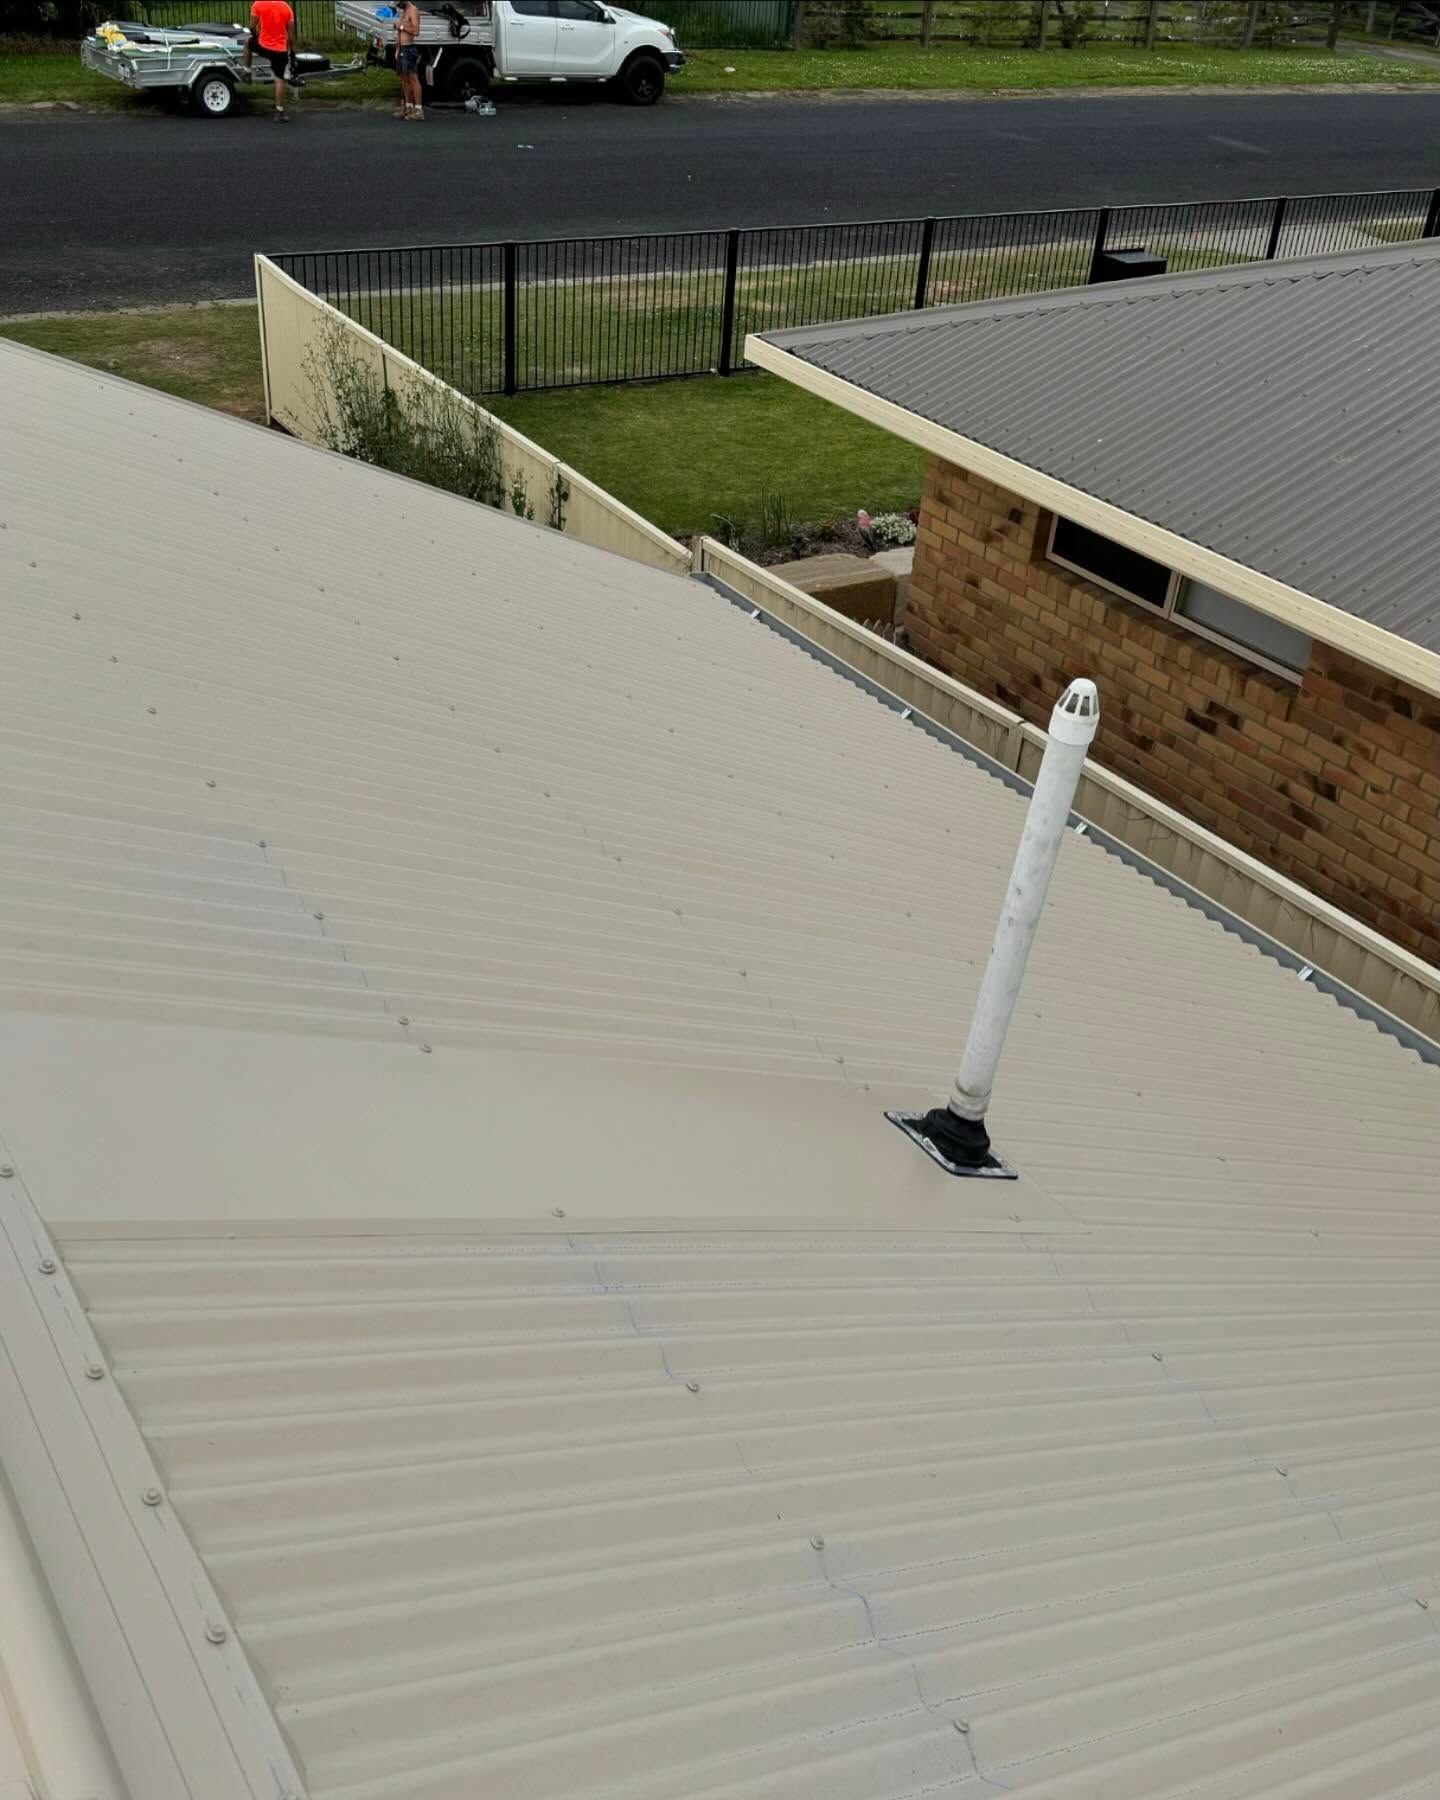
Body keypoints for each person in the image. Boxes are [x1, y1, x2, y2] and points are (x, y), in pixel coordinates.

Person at [245, 0, 296, 120]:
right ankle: (280, 112)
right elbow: (292, 34)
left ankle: (247, 72)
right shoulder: (286, 8)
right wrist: (292, 54)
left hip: (264, 45)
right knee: (279, 80)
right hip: (280, 50)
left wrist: (256, 36)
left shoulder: (258, 4)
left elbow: (251, 27)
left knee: (247, 43)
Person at [395, 0, 423, 121]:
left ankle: (418, 110)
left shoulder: (413, 10)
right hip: (401, 48)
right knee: (403, 78)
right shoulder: (404, 10)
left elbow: (416, 31)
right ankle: (408, 106)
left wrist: (401, 26)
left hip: (408, 49)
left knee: (412, 78)